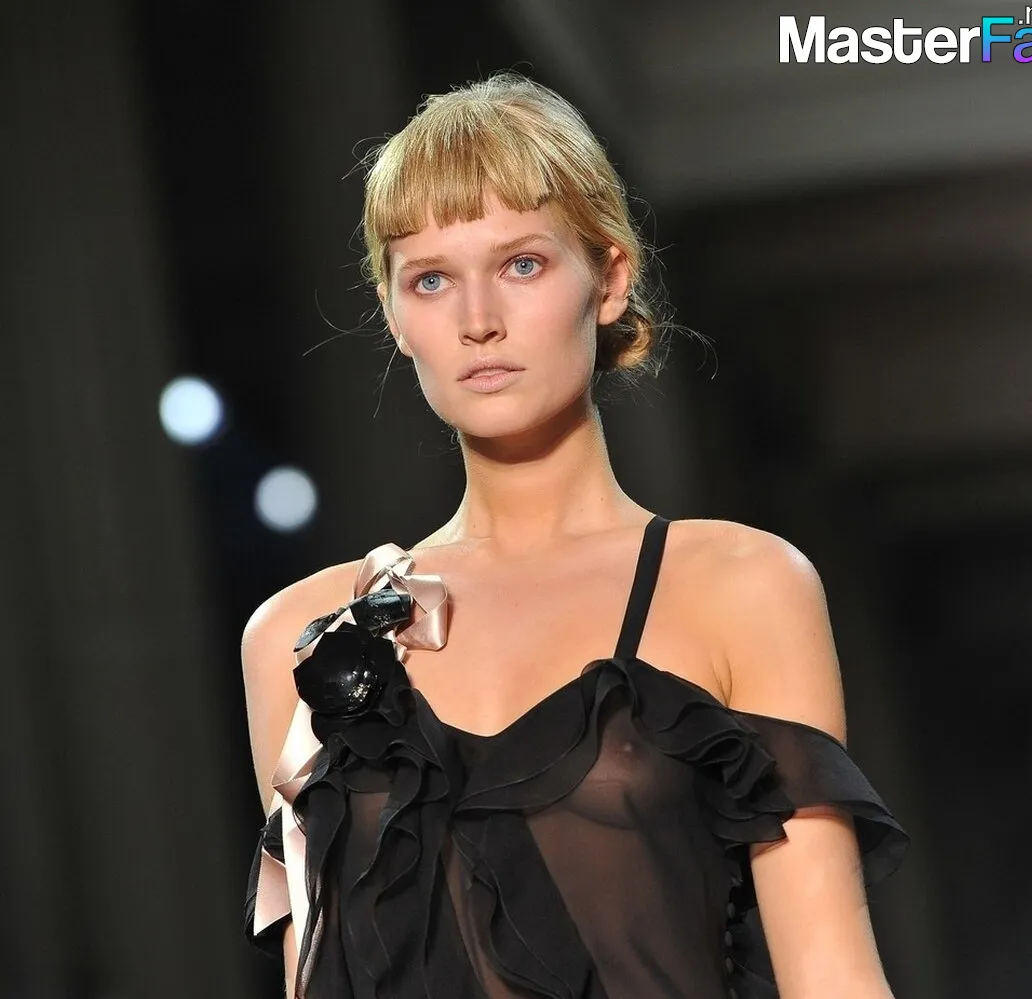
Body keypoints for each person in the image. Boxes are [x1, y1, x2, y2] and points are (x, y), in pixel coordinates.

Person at [241, 72, 908, 999]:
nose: (478, 321)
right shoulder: (302, 634)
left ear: (610, 279)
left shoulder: (740, 585)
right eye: (431, 279)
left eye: (522, 264)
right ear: (394, 315)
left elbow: (831, 974)